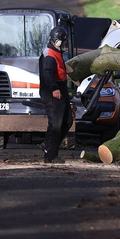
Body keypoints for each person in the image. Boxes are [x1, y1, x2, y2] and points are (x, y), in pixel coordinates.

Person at [39, 25, 73, 164]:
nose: (65, 44)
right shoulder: (50, 55)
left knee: (67, 122)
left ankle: (48, 145)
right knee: (55, 124)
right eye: (64, 42)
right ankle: (50, 156)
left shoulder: (56, 51)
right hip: (52, 91)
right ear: (57, 41)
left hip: (60, 89)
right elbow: (47, 73)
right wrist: (54, 88)